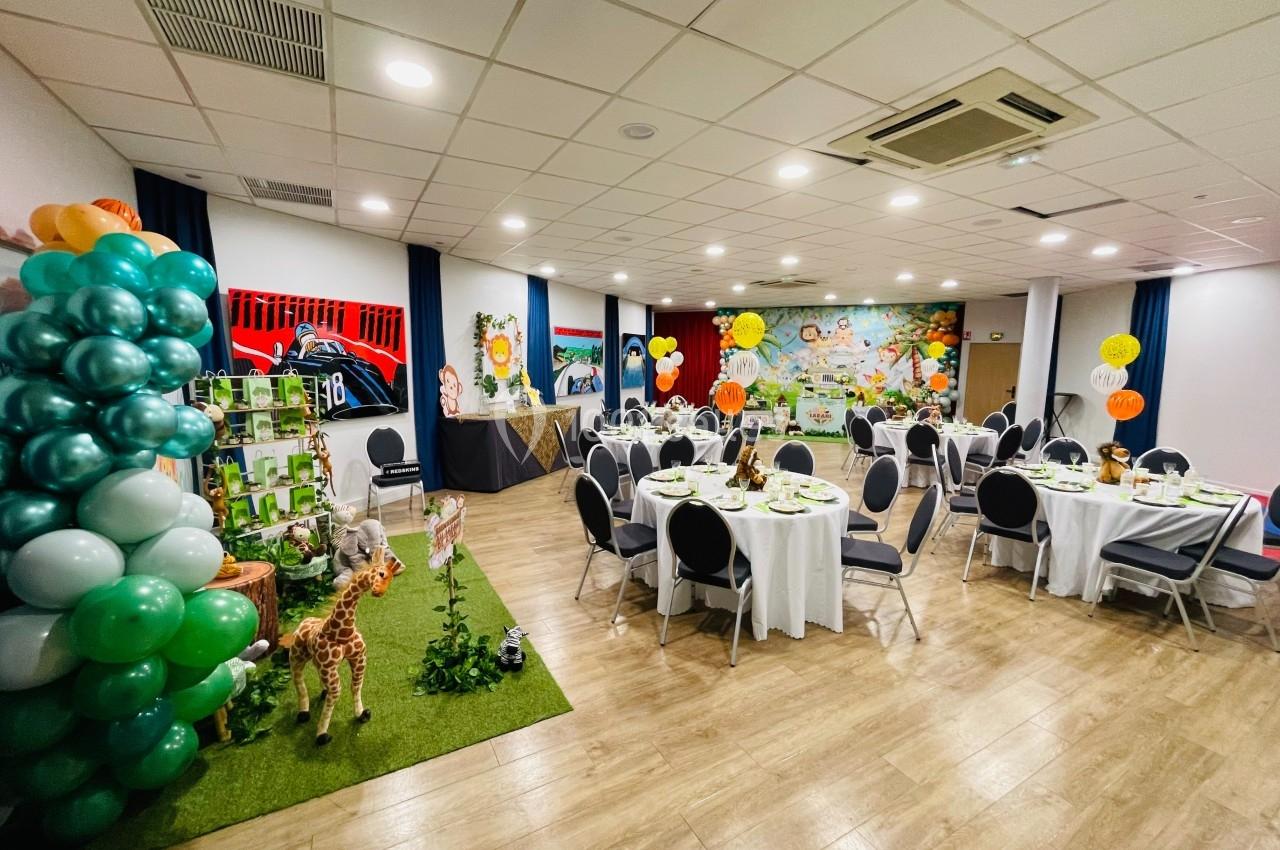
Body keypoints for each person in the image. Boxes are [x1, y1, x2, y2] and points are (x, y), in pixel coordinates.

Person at [332, 519, 403, 589]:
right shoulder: (353, 544)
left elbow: (395, 562)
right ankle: (341, 580)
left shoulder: (376, 543)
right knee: (348, 578)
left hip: (366, 557)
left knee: (388, 564)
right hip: (344, 565)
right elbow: (359, 568)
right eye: (367, 540)